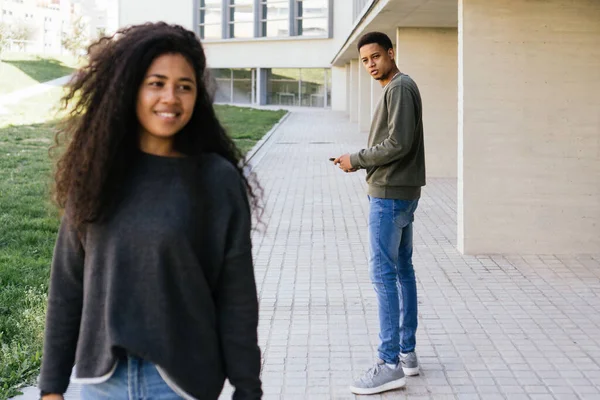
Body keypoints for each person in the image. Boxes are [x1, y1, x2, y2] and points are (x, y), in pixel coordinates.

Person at [38, 22, 262, 400]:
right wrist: (51, 387)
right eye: (156, 83)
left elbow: (236, 295)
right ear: (130, 88)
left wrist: (247, 387)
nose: (170, 97)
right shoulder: (95, 173)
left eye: (184, 86)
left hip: (181, 385)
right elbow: (67, 286)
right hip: (100, 385)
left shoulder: (216, 180)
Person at [334, 31, 426, 395]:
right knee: (402, 269)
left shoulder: (400, 87)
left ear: (391, 53)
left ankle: (389, 364)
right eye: (366, 60)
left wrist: (355, 160)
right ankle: (407, 355)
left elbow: (398, 144)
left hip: (389, 196)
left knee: (384, 275)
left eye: (376, 57)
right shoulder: (397, 87)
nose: (371, 64)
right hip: (398, 193)